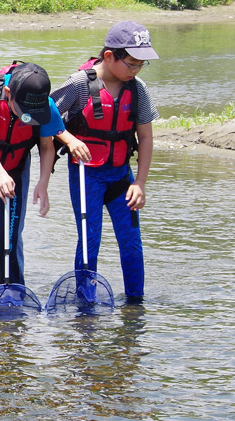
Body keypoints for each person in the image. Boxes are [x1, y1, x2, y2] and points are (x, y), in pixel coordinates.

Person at [0, 61, 88, 296]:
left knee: (12, 234)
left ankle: (11, 291)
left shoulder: (45, 106)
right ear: (9, 94)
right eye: (23, 110)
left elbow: (47, 147)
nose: (29, 117)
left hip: (16, 166)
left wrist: (43, 184)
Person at [51, 21, 160, 303]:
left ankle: (136, 305)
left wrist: (140, 183)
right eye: (132, 63)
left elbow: (146, 137)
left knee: (132, 244)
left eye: (141, 65)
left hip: (122, 176)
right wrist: (69, 139)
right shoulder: (79, 84)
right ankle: (85, 302)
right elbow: (47, 114)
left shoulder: (138, 90)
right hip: (87, 175)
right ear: (109, 56)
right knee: (90, 240)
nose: (136, 70)